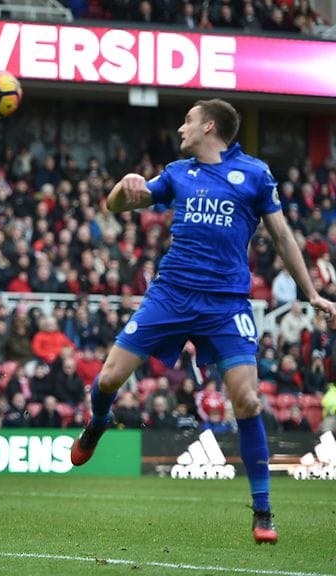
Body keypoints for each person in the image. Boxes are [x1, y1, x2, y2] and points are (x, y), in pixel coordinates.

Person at [69, 99, 336, 545]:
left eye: (188, 121)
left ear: (209, 126)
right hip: (170, 295)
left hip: (226, 304)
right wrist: (121, 187)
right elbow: (117, 206)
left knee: (247, 400)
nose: (181, 128)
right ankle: (98, 423)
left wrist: (311, 293)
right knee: (110, 377)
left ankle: (263, 510)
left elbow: (282, 235)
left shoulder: (254, 174)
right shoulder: (177, 173)